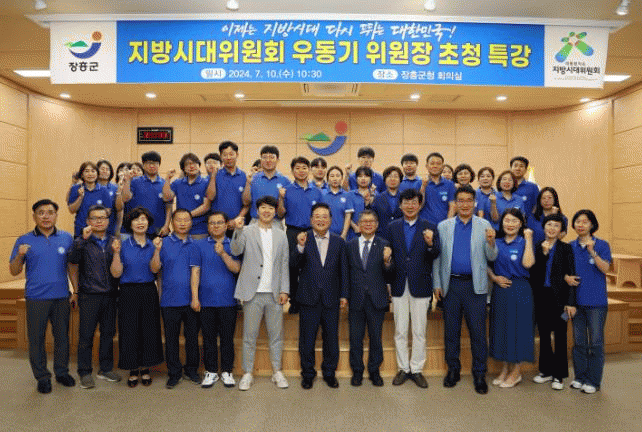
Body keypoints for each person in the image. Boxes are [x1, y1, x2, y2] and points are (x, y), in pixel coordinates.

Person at [433, 185, 498, 395]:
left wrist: (491, 243)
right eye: (461, 200)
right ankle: (453, 370)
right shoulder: (443, 226)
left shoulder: (484, 225)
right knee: (451, 332)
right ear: (455, 203)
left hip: (475, 287)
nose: (465, 204)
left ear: (474, 203)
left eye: (469, 200)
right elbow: (437, 258)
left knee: (478, 333)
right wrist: (437, 284)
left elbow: (492, 257)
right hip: (451, 286)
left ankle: (479, 374)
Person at [9, 199, 76, 394]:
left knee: (62, 338)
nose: (46, 216)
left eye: (50, 212)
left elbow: (72, 267)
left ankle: (62, 372)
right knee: (36, 339)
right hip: (36, 297)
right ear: (34, 216)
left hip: (61, 296)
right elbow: (14, 270)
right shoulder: (24, 240)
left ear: (56, 215)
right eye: (41, 213)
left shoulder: (66, 238)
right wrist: (20, 255)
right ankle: (42, 377)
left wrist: (76, 290)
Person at [231, 196, 290, 391]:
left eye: (271, 208)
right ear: (257, 211)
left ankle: (277, 371)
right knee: (249, 336)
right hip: (252, 292)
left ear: (275, 212)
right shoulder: (247, 230)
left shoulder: (281, 234)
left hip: (274, 293)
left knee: (276, 336)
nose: (267, 211)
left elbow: (284, 263)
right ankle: (247, 373)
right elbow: (236, 250)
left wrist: (284, 289)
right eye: (263, 208)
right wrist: (238, 230)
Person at [386, 188, 440, 388]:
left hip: (421, 285)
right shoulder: (392, 227)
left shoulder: (430, 226)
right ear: (400, 205)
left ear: (419, 205)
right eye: (406, 202)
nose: (410, 206)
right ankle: (403, 368)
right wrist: (388, 282)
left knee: (419, 331)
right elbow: (388, 256)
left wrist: (430, 243)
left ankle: (416, 369)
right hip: (398, 284)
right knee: (400, 330)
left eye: (414, 202)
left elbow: (436, 253)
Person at [291, 203, 348, 389]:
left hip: (332, 298)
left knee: (331, 338)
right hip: (308, 297)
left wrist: (344, 295)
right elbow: (293, 265)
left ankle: (329, 373)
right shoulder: (303, 239)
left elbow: (344, 271)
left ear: (331, 220)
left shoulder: (339, 242)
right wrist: (300, 247)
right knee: (307, 339)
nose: (321, 220)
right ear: (311, 220)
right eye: (317, 216)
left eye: (325, 216)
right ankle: (308, 374)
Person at [68, 205, 120, 389]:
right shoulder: (81, 241)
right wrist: (82, 240)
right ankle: (84, 372)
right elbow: (72, 260)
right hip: (89, 295)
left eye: (102, 218)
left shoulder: (114, 241)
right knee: (86, 336)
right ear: (88, 221)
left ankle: (105, 369)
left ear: (108, 221)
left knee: (108, 334)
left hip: (110, 295)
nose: (99, 221)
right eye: (95, 218)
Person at [110, 207, 164, 387]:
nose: (140, 222)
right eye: (136, 219)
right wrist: (116, 253)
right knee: (129, 331)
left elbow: (155, 269)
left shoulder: (154, 244)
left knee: (149, 330)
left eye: (144, 219)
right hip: (128, 292)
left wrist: (157, 251)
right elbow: (116, 273)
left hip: (148, 290)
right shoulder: (123, 245)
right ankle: (133, 369)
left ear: (148, 223)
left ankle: (146, 368)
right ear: (130, 224)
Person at [150, 209, 201, 389]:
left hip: (190, 301)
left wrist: (195, 298)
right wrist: (157, 251)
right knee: (171, 339)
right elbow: (154, 269)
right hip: (169, 300)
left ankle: (192, 370)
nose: (183, 223)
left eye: (186, 220)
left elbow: (195, 272)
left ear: (191, 223)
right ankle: (174, 373)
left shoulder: (195, 245)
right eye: (179, 220)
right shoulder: (163, 243)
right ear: (172, 222)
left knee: (192, 338)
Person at [487, 209, 535, 388]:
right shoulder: (496, 242)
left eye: (515, 221)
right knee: (502, 330)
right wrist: (494, 278)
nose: (510, 224)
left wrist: (529, 238)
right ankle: (505, 369)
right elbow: (484, 263)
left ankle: (516, 372)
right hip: (501, 290)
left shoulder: (524, 241)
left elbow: (528, 263)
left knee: (519, 330)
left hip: (520, 290)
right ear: (502, 223)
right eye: (507, 220)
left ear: (521, 224)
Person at [345, 210, 393, 387]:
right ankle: (357, 371)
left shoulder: (384, 244)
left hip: (377, 298)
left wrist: (387, 261)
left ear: (377, 225)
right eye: (364, 221)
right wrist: (344, 296)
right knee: (355, 338)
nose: (368, 224)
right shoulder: (349, 245)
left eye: (371, 221)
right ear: (358, 224)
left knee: (375, 337)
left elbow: (390, 273)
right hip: (355, 298)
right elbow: (345, 273)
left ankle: (374, 371)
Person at [194, 211, 241, 388]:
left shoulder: (234, 244)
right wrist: (195, 297)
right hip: (205, 301)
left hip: (228, 300)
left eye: (219, 222)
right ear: (207, 226)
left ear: (226, 225)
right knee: (208, 338)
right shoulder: (199, 245)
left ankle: (227, 371)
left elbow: (236, 268)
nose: (215, 226)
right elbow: (195, 272)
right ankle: (211, 371)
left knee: (227, 338)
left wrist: (223, 254)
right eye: (212, 223)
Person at [530, 213, 576, 390]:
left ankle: (559, 375)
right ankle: (546, 371)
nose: (552, 228)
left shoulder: (566, 248)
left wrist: (570, 302)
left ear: (561, 230)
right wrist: (543, 254)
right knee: (543, 335)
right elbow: (534, 274)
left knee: (560, 336)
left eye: (556, 225)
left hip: (560, 299)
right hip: (541, 297)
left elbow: (571, 275)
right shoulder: (537, 246)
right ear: (544, 227)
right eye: (549, 224)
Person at [569, 209, 612, 394]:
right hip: (576, 302)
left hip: (596, 303)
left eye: (585, 222)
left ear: (592, 224)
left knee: (595, 343)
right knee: (579, 342)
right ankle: (580, 377)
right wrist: (566, 278)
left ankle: (593, 381)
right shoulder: (570, 246)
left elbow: (605, 268)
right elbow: (563, 271)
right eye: (578, 221)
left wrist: (592, 252)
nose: (581, 225)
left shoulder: (602, 244)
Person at [278, 157, 322, 314]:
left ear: (309, 170)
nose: (301, 171)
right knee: (292, 266)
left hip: (312, 232)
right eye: (297, 168)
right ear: (292, 171)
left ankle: (309, 300)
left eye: (304, 167)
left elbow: (321, 213)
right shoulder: (286, 190)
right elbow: (280, 214)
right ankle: (294, 301)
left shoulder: (317, 191)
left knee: (311, 267)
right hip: (292, 231)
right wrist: (280, 198)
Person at [120, 151, 172, 237]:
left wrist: (166, 226)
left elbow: (169, 207)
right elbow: (125, 198)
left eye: (155, 163)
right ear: (143, 165)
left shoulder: (164, 184)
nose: (151, 166)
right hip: (135, 230)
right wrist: (127, 180)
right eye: (148, 163)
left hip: (158, 230)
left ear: (159, 165)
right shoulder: (134, 182)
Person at [162, 153, 212, 239]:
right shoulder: (178, 182)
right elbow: (167, 197)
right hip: (180, 231)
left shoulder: (206, 182)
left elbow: (206, 206)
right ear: (183, 169)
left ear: (199, 165)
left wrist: (186, 216)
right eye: (188, 164)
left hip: (200, 231)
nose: (191, 166)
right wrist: (168, 178)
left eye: (194, 163)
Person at [243, 145, 291, 224]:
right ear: (261, 160)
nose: (268, 160)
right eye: (264, 157)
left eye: (272, 157)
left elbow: (286, 207)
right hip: (255, 221)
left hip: (276, 222)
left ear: (278, 160)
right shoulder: (253, 178)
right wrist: (248, 182)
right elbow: (246, 202)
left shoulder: (285, 181)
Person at [208, 141, 248, 233]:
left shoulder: (244, 176)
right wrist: (213, 176)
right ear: (221, 157)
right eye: (225, 155)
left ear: (237, 155)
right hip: (218, 226)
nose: (228, 158)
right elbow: (210, 197)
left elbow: (247, 204)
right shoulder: (215, 175)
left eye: (231, 154)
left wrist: (237, 219)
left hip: (238, 224)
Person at [67, 161, 114, 238]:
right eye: (86, 171)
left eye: (93, 171)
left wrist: (95, 221)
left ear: (97, 174)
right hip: (80, 229)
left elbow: (108, 211)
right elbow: (71, 210)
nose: (90, 174)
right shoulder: (75, 188)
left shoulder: (103, 190)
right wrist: (80, 197)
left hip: (98, 231)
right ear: (82, 174)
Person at [420, 152, 456, 226]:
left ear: (442, 167)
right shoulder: (420, 183)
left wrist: (448, 224)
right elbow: (419, 205)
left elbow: (452, 206)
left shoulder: (449, 184)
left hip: (443, 226)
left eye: (438, 164)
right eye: (432, 163)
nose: (435, 166)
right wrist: (423, 187)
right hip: (424, 226)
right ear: (427, 166)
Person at [321, 166, 354, 240]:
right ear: (328, 178)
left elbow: (348, 216)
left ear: (342, 178)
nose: (335, 179)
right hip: (324, 235)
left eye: (338, 176)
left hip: (341, 235)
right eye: (332, 176)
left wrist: (344, 234)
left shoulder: (347, 195)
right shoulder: (322, 194)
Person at [372, 166, 404, 237]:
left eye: (396, 177)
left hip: (401, 236)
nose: (392, 179)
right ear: (385, 179)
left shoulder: (405, 197)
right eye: (389, 176)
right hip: (382, 236)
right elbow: (374, 217)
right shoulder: (378, 198)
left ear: (400, 180)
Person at [348, 166, 376, 239]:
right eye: (360, 176)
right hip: (354, 234)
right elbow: (346, 215)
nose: (363, 179)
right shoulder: (350, 195)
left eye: (366, 176)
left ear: (371, 179)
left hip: (371, 234)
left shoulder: (376, 195)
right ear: (356, 179)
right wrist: (355, 227)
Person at [96, 159, 119, 236]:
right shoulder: (92, 186)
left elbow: (119, 209)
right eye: (102, 169)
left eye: (107, 169)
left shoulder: (115, 188)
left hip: (110, 227)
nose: (105, 171)